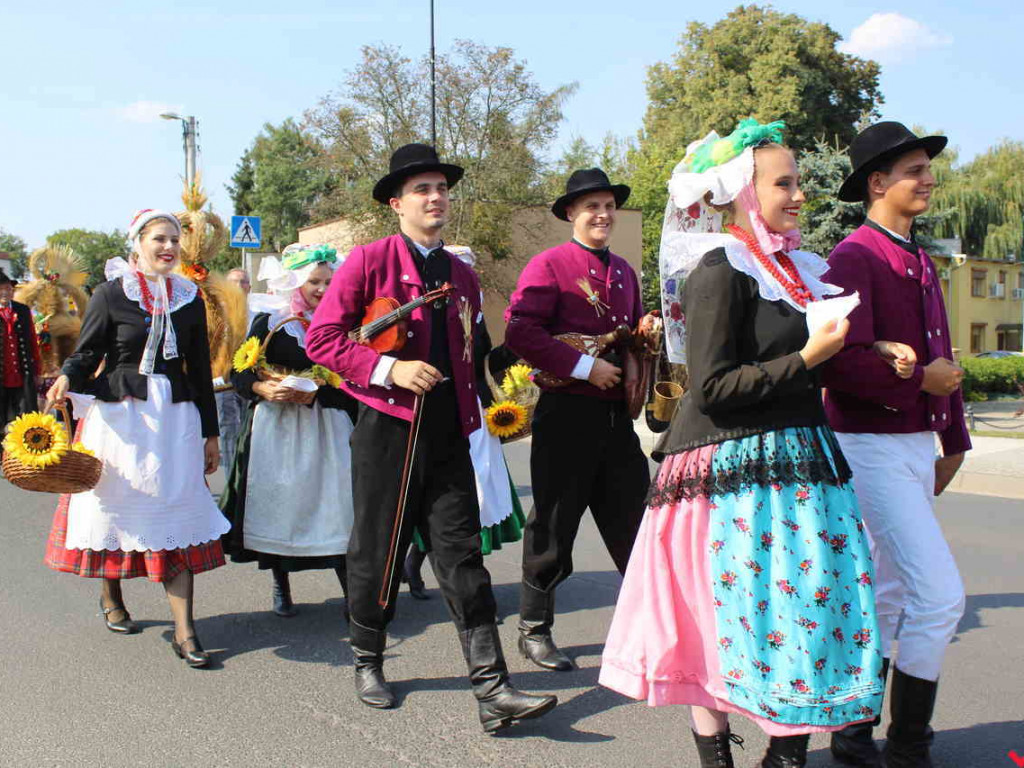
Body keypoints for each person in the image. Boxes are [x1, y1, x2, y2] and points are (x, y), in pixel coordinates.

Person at [599, 120, 885, 768]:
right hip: (731, 469)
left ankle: (786, 756)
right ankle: (720, 760)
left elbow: (809, 361)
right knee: (721, 628)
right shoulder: (719, 269)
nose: (799, 195)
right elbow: (713, 388)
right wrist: (808, 357)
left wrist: (869, 352)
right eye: (784, 183)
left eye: (798, 182)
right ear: (743, 193)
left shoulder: (793, 270)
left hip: (800, 466)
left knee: (807, 616)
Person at [305, 143, 556, 733]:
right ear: (397, 203)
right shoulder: (368, 261)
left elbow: (474, 355)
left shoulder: (462, 275)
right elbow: (322, 339)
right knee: (377, 551)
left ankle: (492, 690)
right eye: (421, 189)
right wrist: (388, 369)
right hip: (387, 429)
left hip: (449, 433)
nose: (435, 197)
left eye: (441, 188)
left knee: (463, 556)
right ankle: (368, 658)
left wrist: (504, 396)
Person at [820, 122, 971, 768]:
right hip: (868, 445)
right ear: (877, 183)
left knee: (889, 595)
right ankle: (909, 746)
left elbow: (943, 358)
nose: (928, 179)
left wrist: (953, 439)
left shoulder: (918, 257)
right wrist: (915, 382)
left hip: (911, 445)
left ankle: (855, 735)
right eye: (914, 170)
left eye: (927, 169)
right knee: (940, 596)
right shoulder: (854, 256)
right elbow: (836, 362)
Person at [44, 209, 229, 669]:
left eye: (174, 240)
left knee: (174, 512)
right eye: (159, 239)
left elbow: (199, 371)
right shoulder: (111, 293)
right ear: (138, 243)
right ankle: (111, 594)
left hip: (174, 419)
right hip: (120, 419)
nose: (168, 247)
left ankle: (185, 631)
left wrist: (211, 434)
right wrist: (67, 377)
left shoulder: (189, 298)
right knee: (116, 507)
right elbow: (88, 351)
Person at [504, 168, 650, 671]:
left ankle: (648, 627)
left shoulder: (625, 272)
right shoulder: (548, 265)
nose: (602, 215)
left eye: (608, 205)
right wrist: (587, 367)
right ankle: (533, 628)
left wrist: (644, 341)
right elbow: (520, 332)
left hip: (616, 421)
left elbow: (629, 336)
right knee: (554, 525)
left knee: (636, 523)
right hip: (566, 415)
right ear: (571, 213)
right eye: (591, 206)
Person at [219, 245, 355, 618]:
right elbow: (239, 371)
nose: (322, 289)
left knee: (338, 505)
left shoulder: (343, 322)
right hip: (278, 429)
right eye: (314, 282)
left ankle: (352, 592)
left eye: (328, 282)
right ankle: (281, 584)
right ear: (296, 282)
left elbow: (352, 375)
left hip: (327, 426)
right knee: (281, 505)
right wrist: (262, 388)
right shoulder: (271, 320)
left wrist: (326, 389)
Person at [215, 267, 252, 472]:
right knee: (229, 429)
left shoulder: (258, 312)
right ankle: (232, 479)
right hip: (224, 381)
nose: (238, 286)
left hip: (250, 380)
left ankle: (246, 477)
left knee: (249, 430)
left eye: (243, 281)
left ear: (249, 287)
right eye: (233, 281)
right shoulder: (216, 313)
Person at [0, 269, 41, 431]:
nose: (5, 292)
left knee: (26, 422)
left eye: (8, 288)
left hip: (22, 376)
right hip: (2, 377)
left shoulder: (22, 310)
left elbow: (32, 341)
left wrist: (37, 371)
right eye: (1, 289)